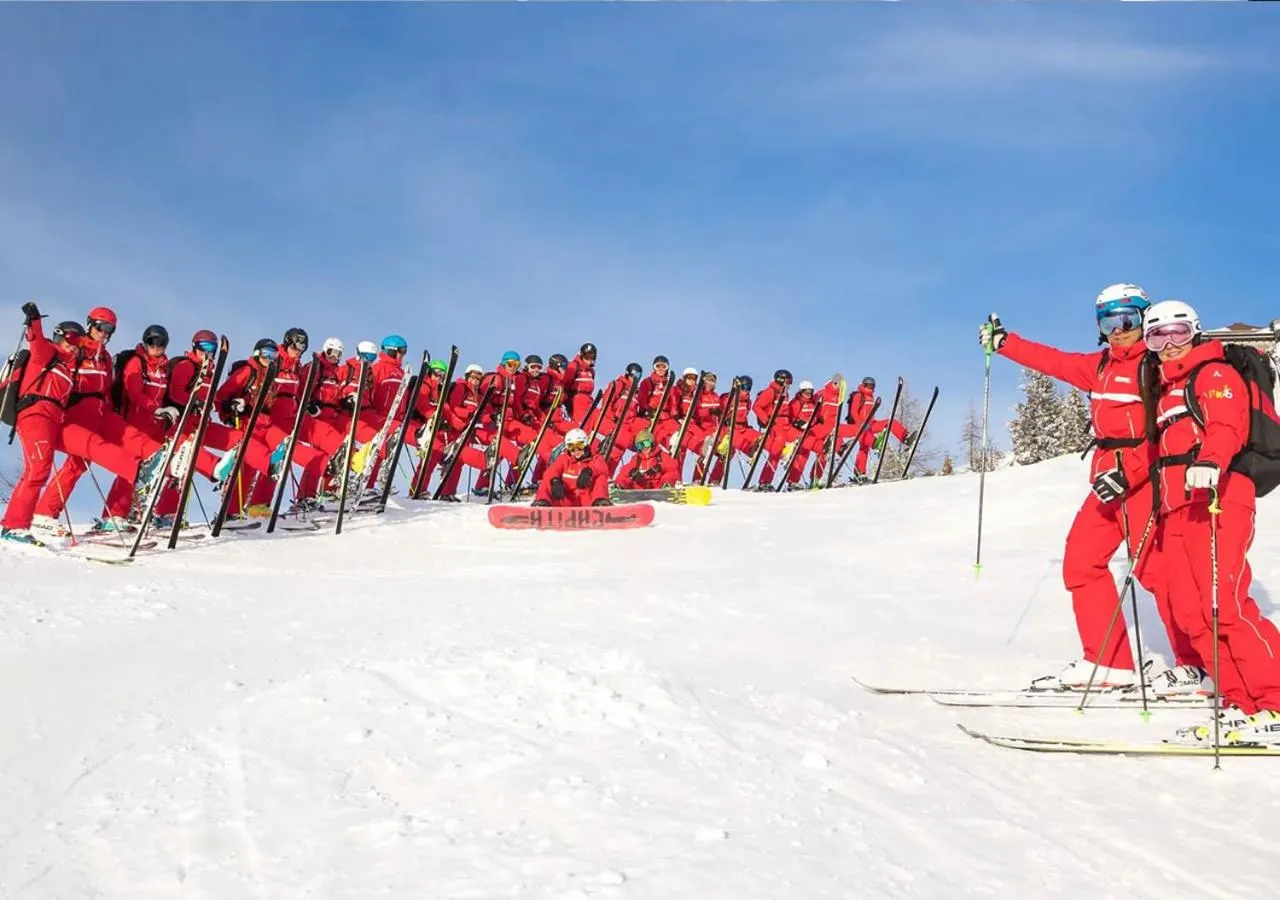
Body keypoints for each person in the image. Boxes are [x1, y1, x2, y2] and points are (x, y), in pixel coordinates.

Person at [979, 283, 1202, 694]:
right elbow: (1052, 361)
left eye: (1127, 320)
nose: (1118, 330)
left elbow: (1168, 432)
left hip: (1144, 482)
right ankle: (1108, 663)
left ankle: (1196, 665)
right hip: (1105, 484)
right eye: (1108, 321)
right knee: (1081, 563)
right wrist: (1006, 343)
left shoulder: (1157, 368)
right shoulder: (1098, 367)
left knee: (1158, 573)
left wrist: (1130, 471)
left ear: (1144, 318)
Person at [1141, 300, 1280, 744]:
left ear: (1195, 332)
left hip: (1221, 496)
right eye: (1157, 336)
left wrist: (1212, 460)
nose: (1168, 344)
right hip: (1180, 507)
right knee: (1191, 610)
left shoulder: (1214, 373)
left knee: (1226, 605)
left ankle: (1273, 699)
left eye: (1178, 332)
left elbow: (1226, 424)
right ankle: (1241, 701)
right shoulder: (1165, 388)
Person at [1, 306, 81, 543]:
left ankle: (34, 519)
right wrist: (34, 321)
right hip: (35, 414)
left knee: (43, 468)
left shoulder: (68, 368)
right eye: (71, 338)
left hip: (53, 419)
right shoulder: (47, 354)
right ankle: (13, 525)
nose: (75, 344)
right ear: (59, 336)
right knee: (38, 468)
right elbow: (35, 340)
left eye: (80, 340)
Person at [533, 428, 611, 507]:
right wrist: (555, 480)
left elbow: (603, 469)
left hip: (587, 500)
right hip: (567, 499)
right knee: (548, 480)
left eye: (579, 445)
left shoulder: (595, 458)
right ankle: (542, 502)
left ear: (585, 444)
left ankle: (600, 502)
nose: (576, 450)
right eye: (571, 447)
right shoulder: (564, 459)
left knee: (601, 478)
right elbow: (551, 471)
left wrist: (589, 471)